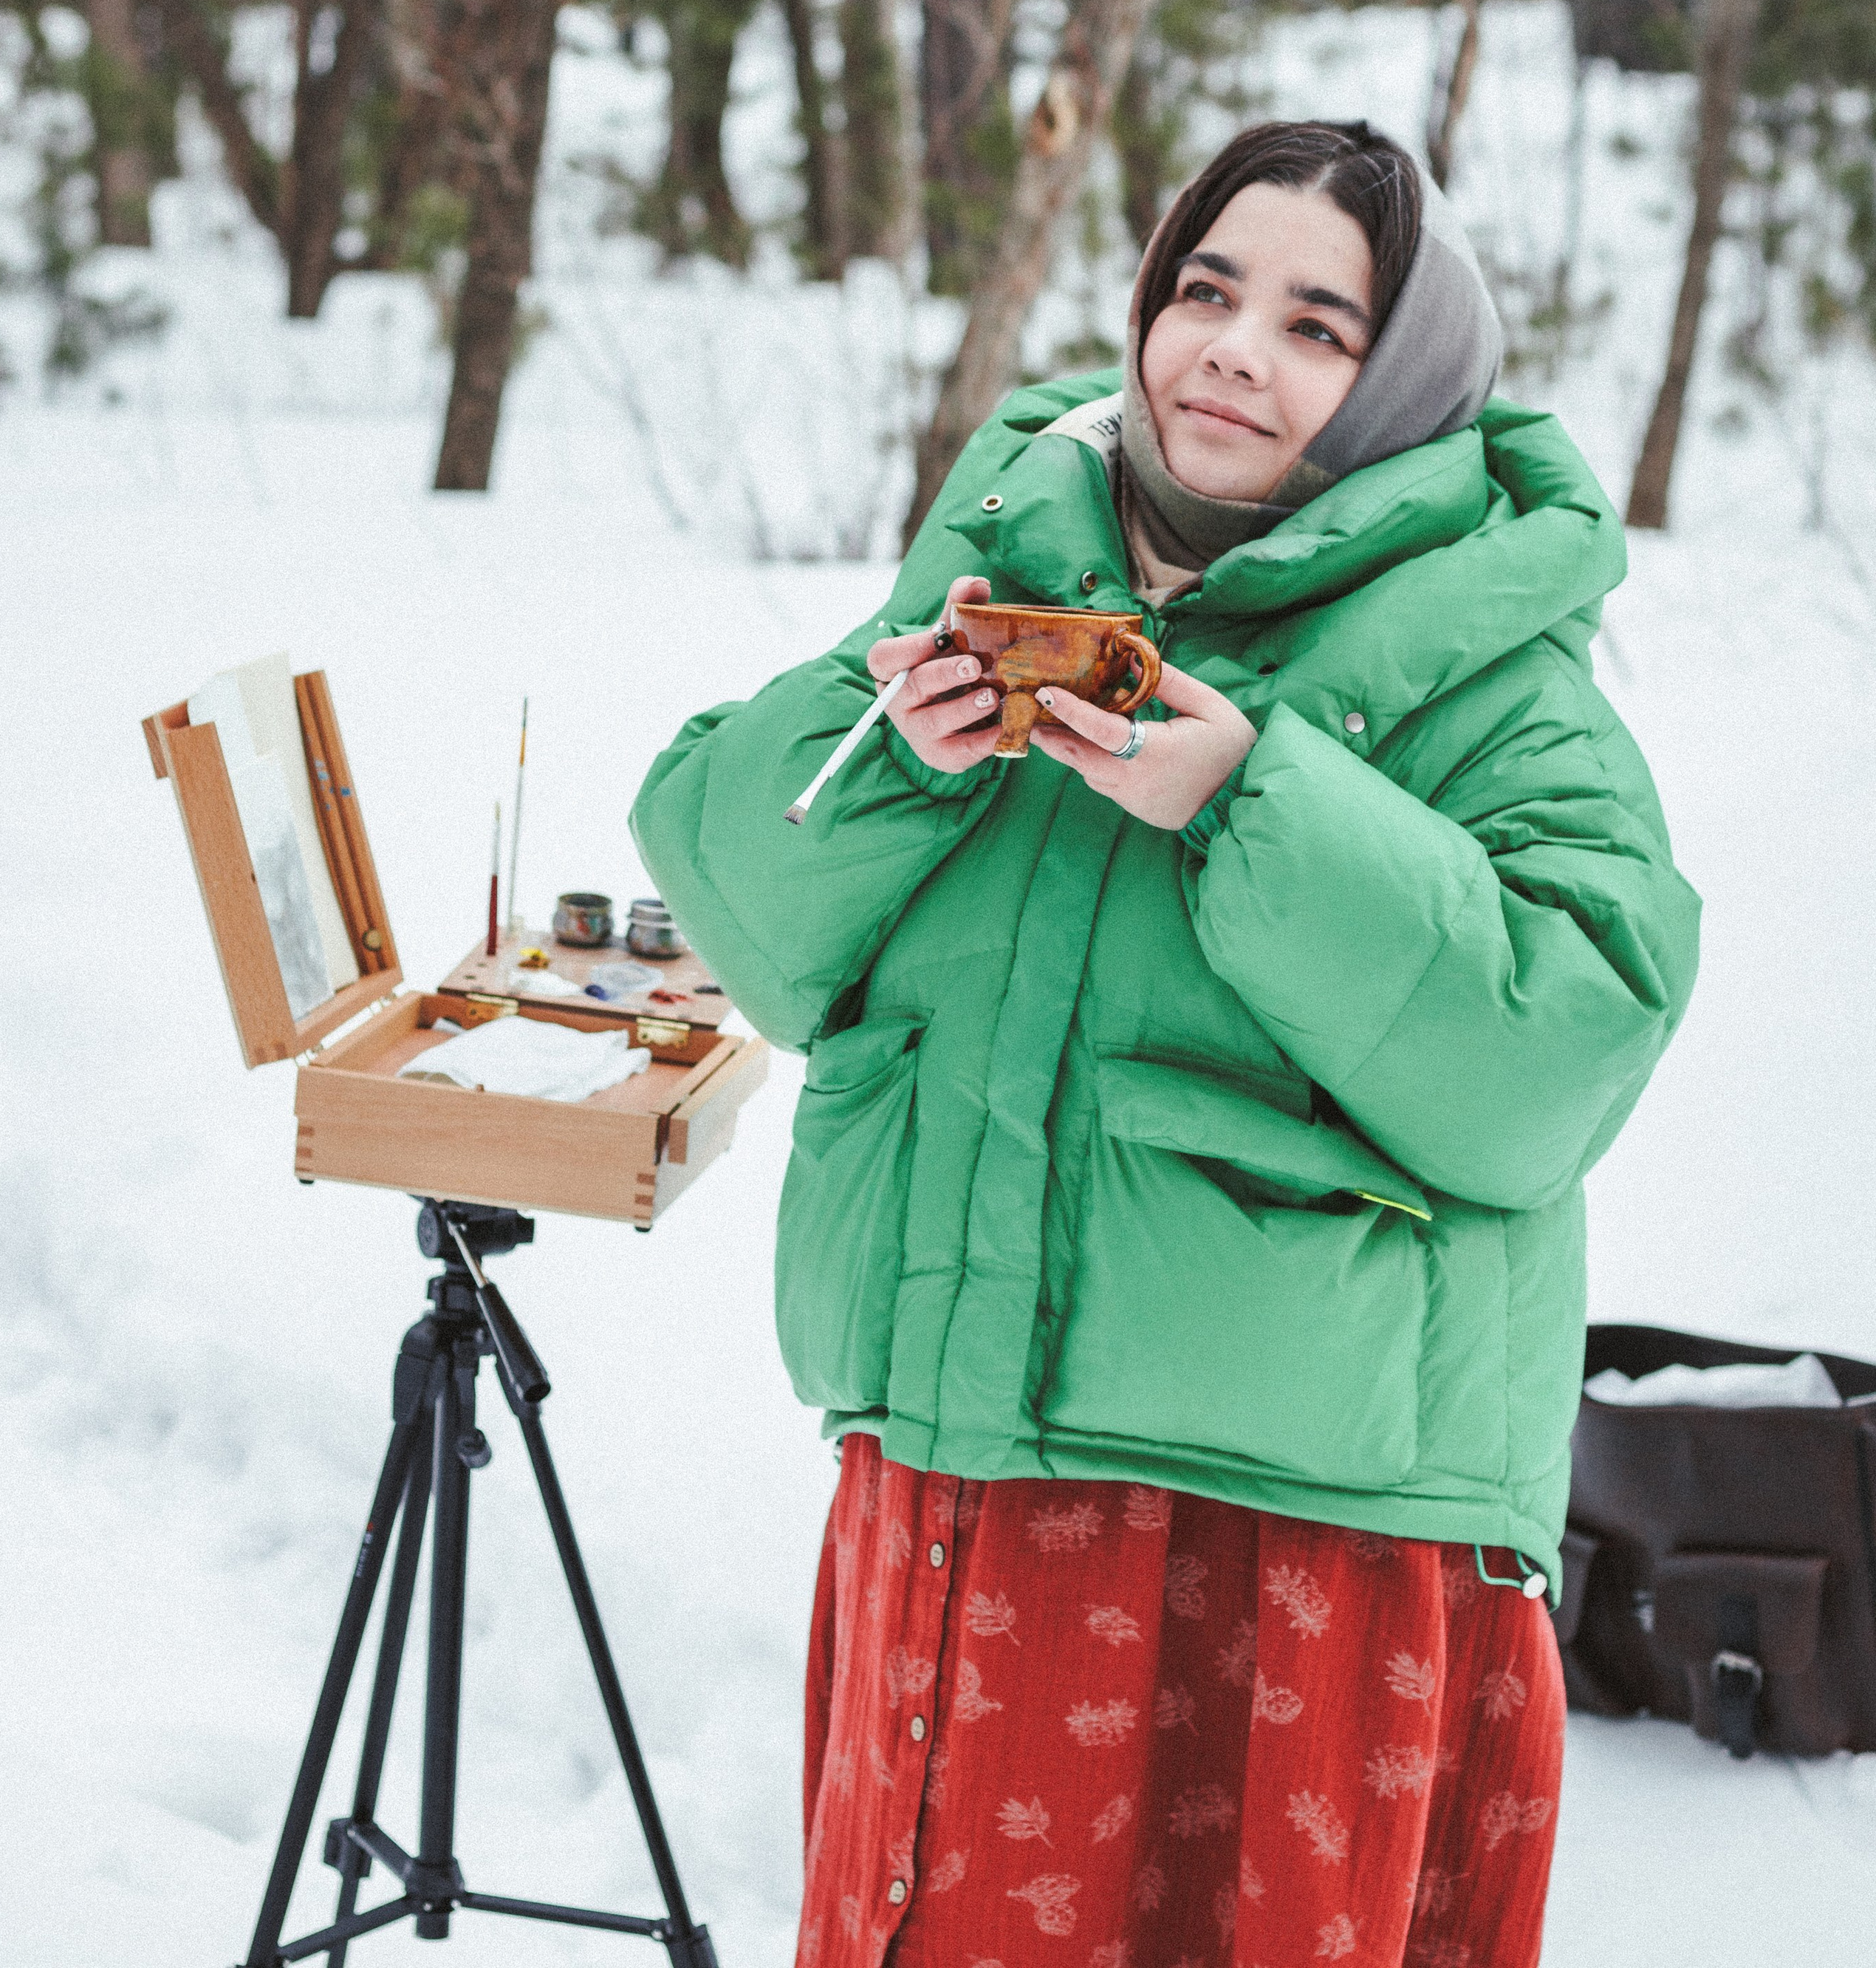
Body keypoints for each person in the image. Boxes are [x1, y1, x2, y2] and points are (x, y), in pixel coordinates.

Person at [633, 118, 1699, 1967]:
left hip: (1295, 1549)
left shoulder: (1493, 670)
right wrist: (891, 756)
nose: (1230, 350)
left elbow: (1557, 1054)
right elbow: (745, 912)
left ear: (1400, 387)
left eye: (1313, 325)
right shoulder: (1014, 563)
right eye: (1203, 292)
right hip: (959, 1472)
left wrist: (1247, 800)